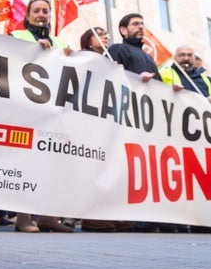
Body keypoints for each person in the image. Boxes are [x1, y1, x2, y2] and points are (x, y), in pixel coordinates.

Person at [108, 14, 180, 233]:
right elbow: (111, 76)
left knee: (147, 168)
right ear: (123, 30)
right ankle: (133, 217)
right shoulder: (116, 50)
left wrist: (170, 89)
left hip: (148, 120)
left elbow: (157, 84)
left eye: (142, 24)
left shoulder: (148, 57)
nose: (141, 28)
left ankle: (154, 216)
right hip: (126, 117)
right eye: (135, 24)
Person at [10, 0, 73, 233]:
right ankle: (23, 218)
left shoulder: (60, 41)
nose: (41, 15)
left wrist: (70, 56)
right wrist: (35, 51)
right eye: (36, 11)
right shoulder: (17, 37)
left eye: (45, 11)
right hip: (25, 107)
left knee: (52, 162)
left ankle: (48, 217)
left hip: (52, 109)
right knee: (25, 161)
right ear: (27, 16)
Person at [76, 27, 135, 232]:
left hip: (106, 121)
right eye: (99, 33)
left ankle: (108, 211)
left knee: (108, 165)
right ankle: (92, 215)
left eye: (105, 34)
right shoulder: (80, 58)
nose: (105, 36)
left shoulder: (110, 63)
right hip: (87, 119)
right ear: (87, 39)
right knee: (91, 166)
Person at [159, 45, 211, 233]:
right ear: (175, 57)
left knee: (201, 180)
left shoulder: (205, 77)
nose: (186, 58)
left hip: (202, 136)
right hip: (175, 133)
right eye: (182, 55)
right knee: (178, 177)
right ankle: (178, 220)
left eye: (190, 55)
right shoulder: (165, 72)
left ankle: (203, 221)